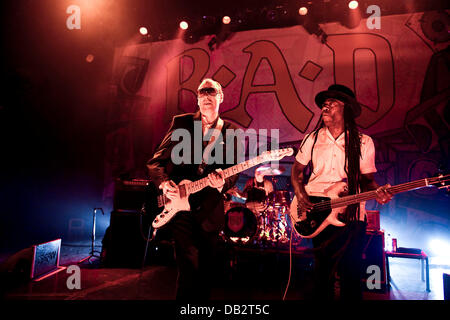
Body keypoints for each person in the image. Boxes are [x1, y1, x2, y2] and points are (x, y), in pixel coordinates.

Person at [290, 84, 393, 300]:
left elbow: (367, 180)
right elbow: (297, 171)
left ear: (346, 108)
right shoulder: (313, 138)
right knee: (322, 274)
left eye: (332, 102)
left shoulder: (363, 142)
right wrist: (301, 195)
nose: (325, 106)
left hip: (352, 215)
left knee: (351, 273)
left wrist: (378, 192)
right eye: (324, 103)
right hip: (319, 212)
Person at [147, 78, 240, 300]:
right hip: (180, 209)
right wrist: (163, 183)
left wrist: (223, 183)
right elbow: (155, 162)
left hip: (210, 209)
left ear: (221, 97)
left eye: (211, 91)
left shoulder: (230, 130)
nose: (206, 95)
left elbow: (233, 171)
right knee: (188, 268)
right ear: (197, 98)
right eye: (202, 91)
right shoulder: (181, 123)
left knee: (206, 273)